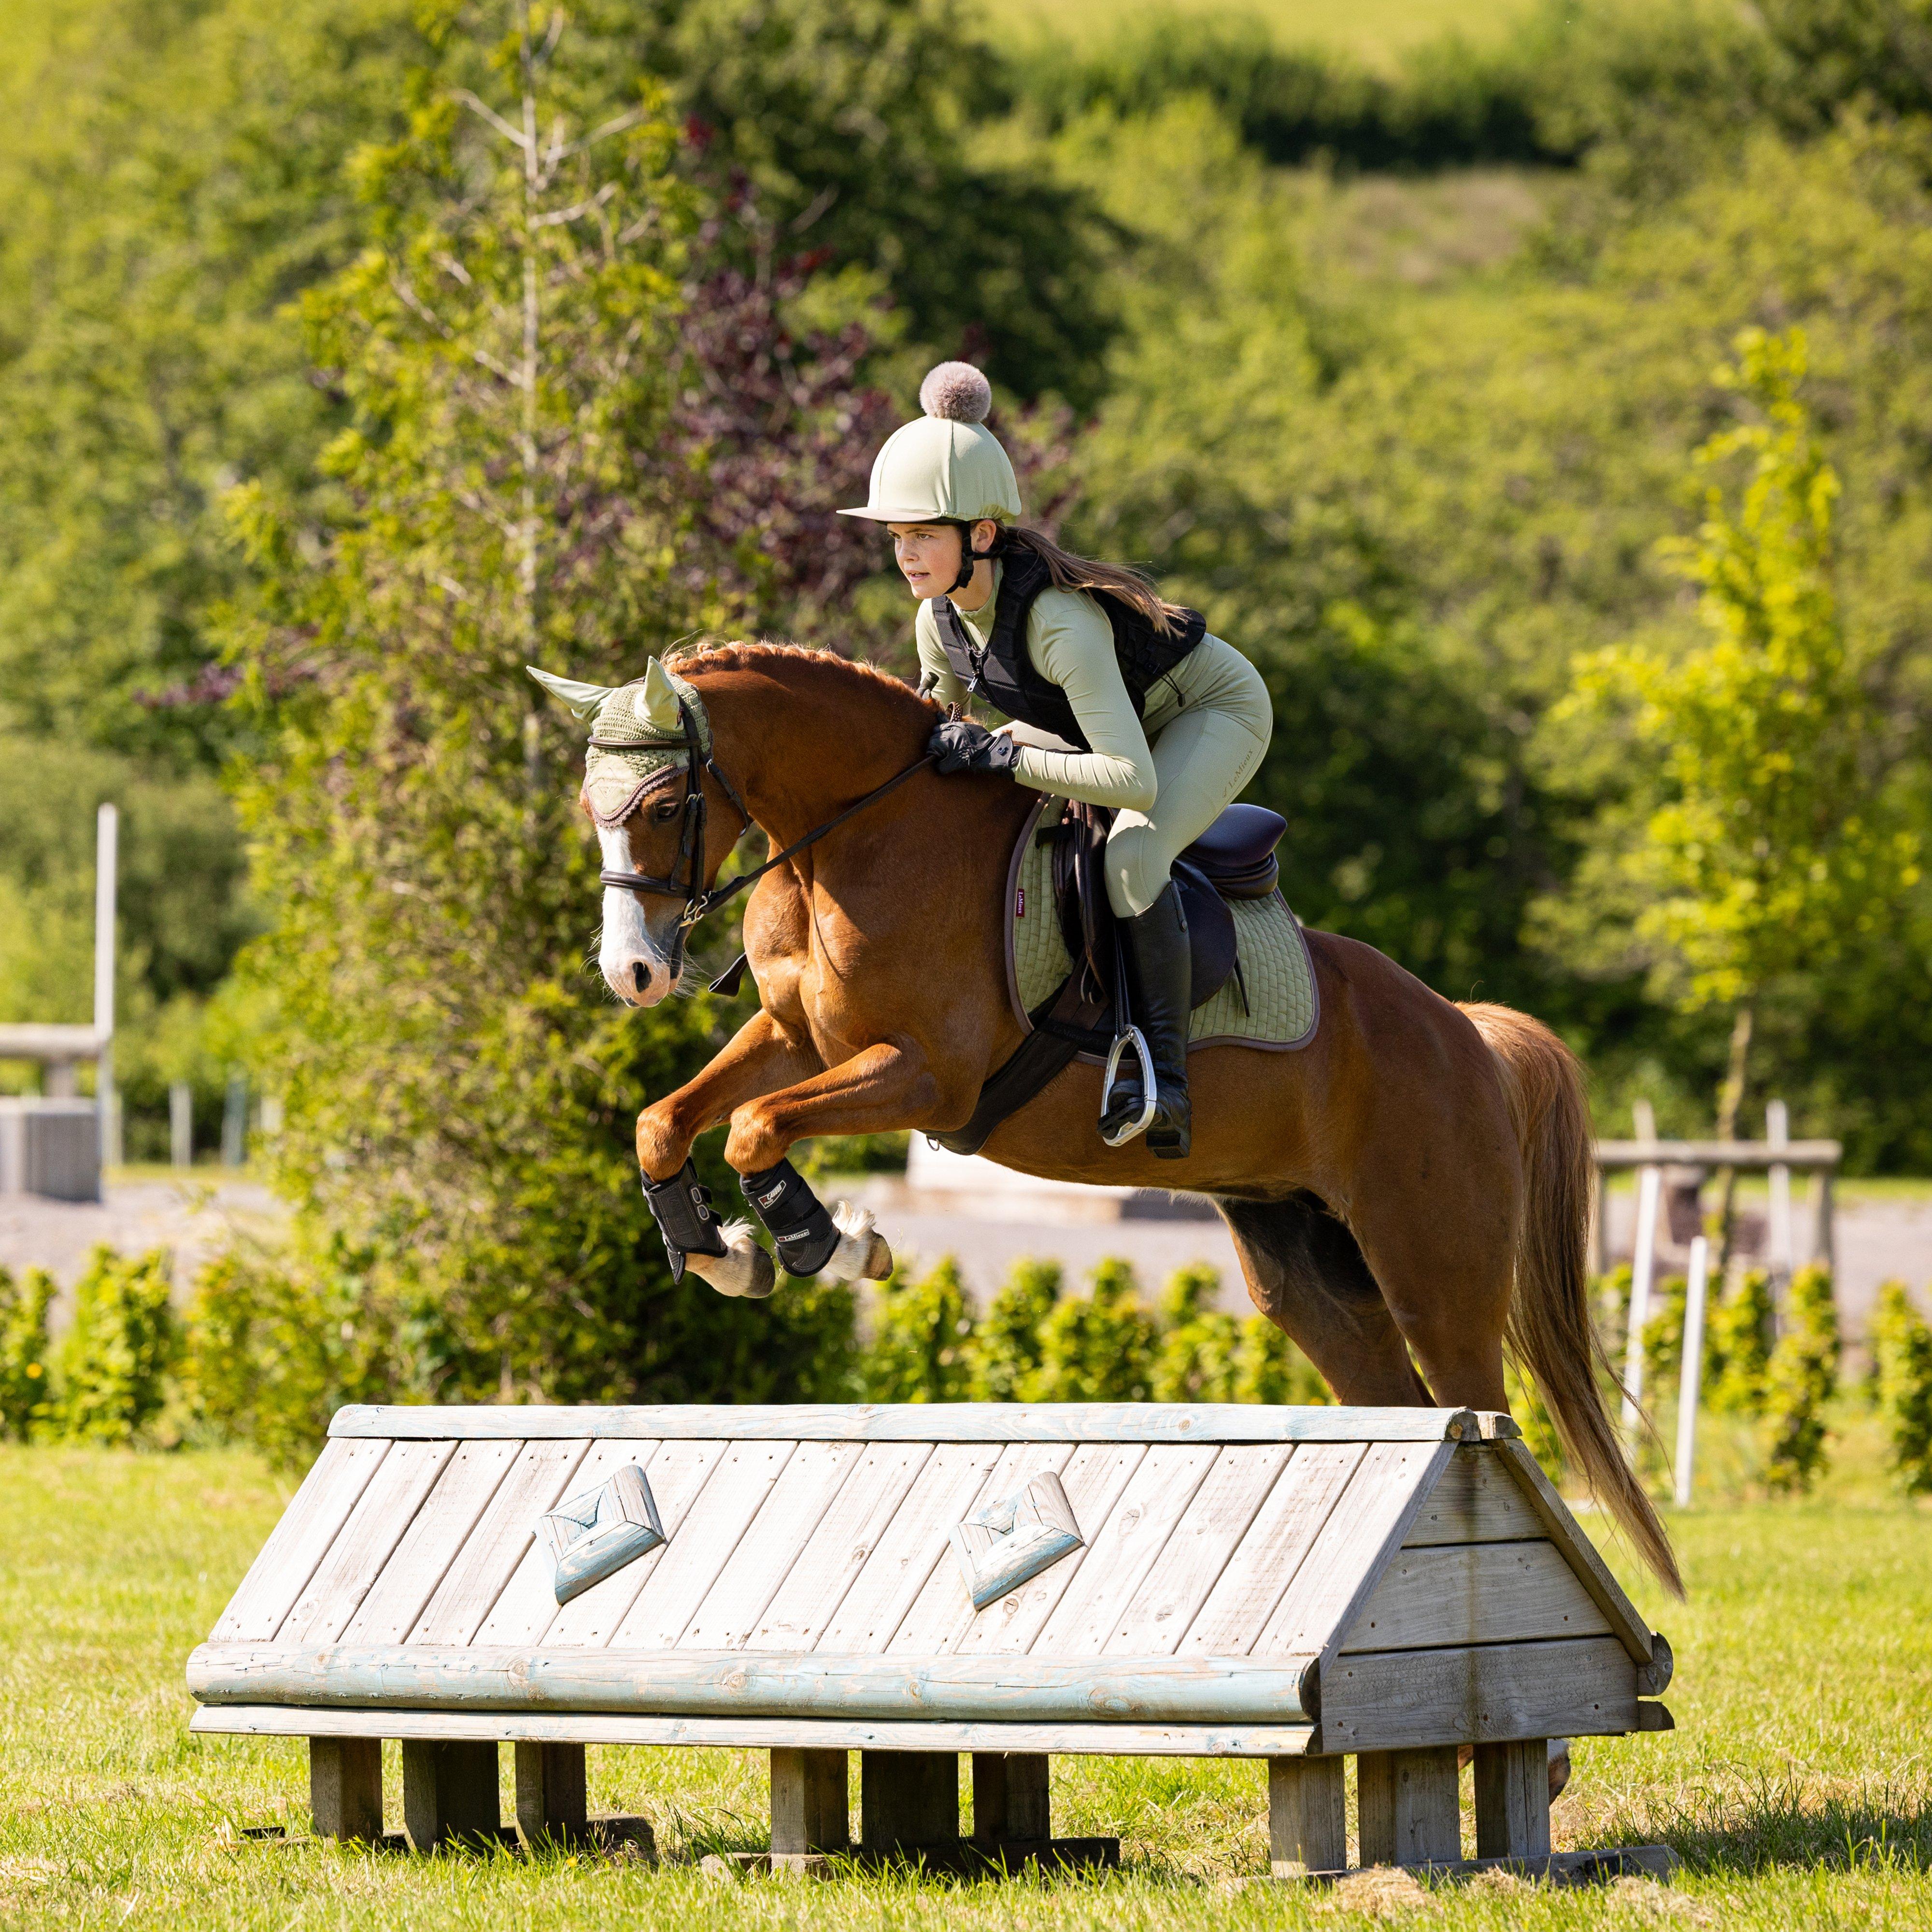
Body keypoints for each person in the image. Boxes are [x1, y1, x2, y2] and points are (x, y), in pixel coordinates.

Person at [840, 362, 1274, 1158]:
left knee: (1132, 854)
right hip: (1114, 731)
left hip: (1212, 712)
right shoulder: (939, 623)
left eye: (924, 536)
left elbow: (1131, 779)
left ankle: (1164, 1082)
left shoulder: (1057, 624)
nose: (905, 555)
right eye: (897, 537)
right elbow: (930, 750)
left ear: (981, 536)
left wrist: (1002, 756)